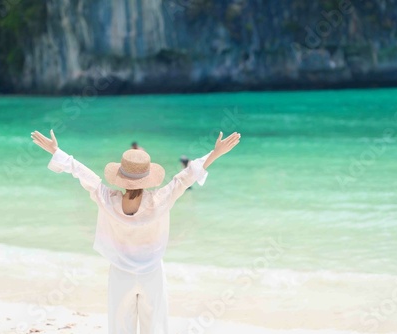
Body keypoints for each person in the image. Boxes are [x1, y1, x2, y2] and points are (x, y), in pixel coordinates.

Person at [30, 129, 241, 334]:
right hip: (152, 274)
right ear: (147, 178)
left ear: (121, 176)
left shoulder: (107, 199)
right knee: (156, 326)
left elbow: (82, 173)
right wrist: (215, 153)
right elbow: (185, 177)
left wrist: (56, 151)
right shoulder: (159, 200)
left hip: (121, 274)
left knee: (120, 327)